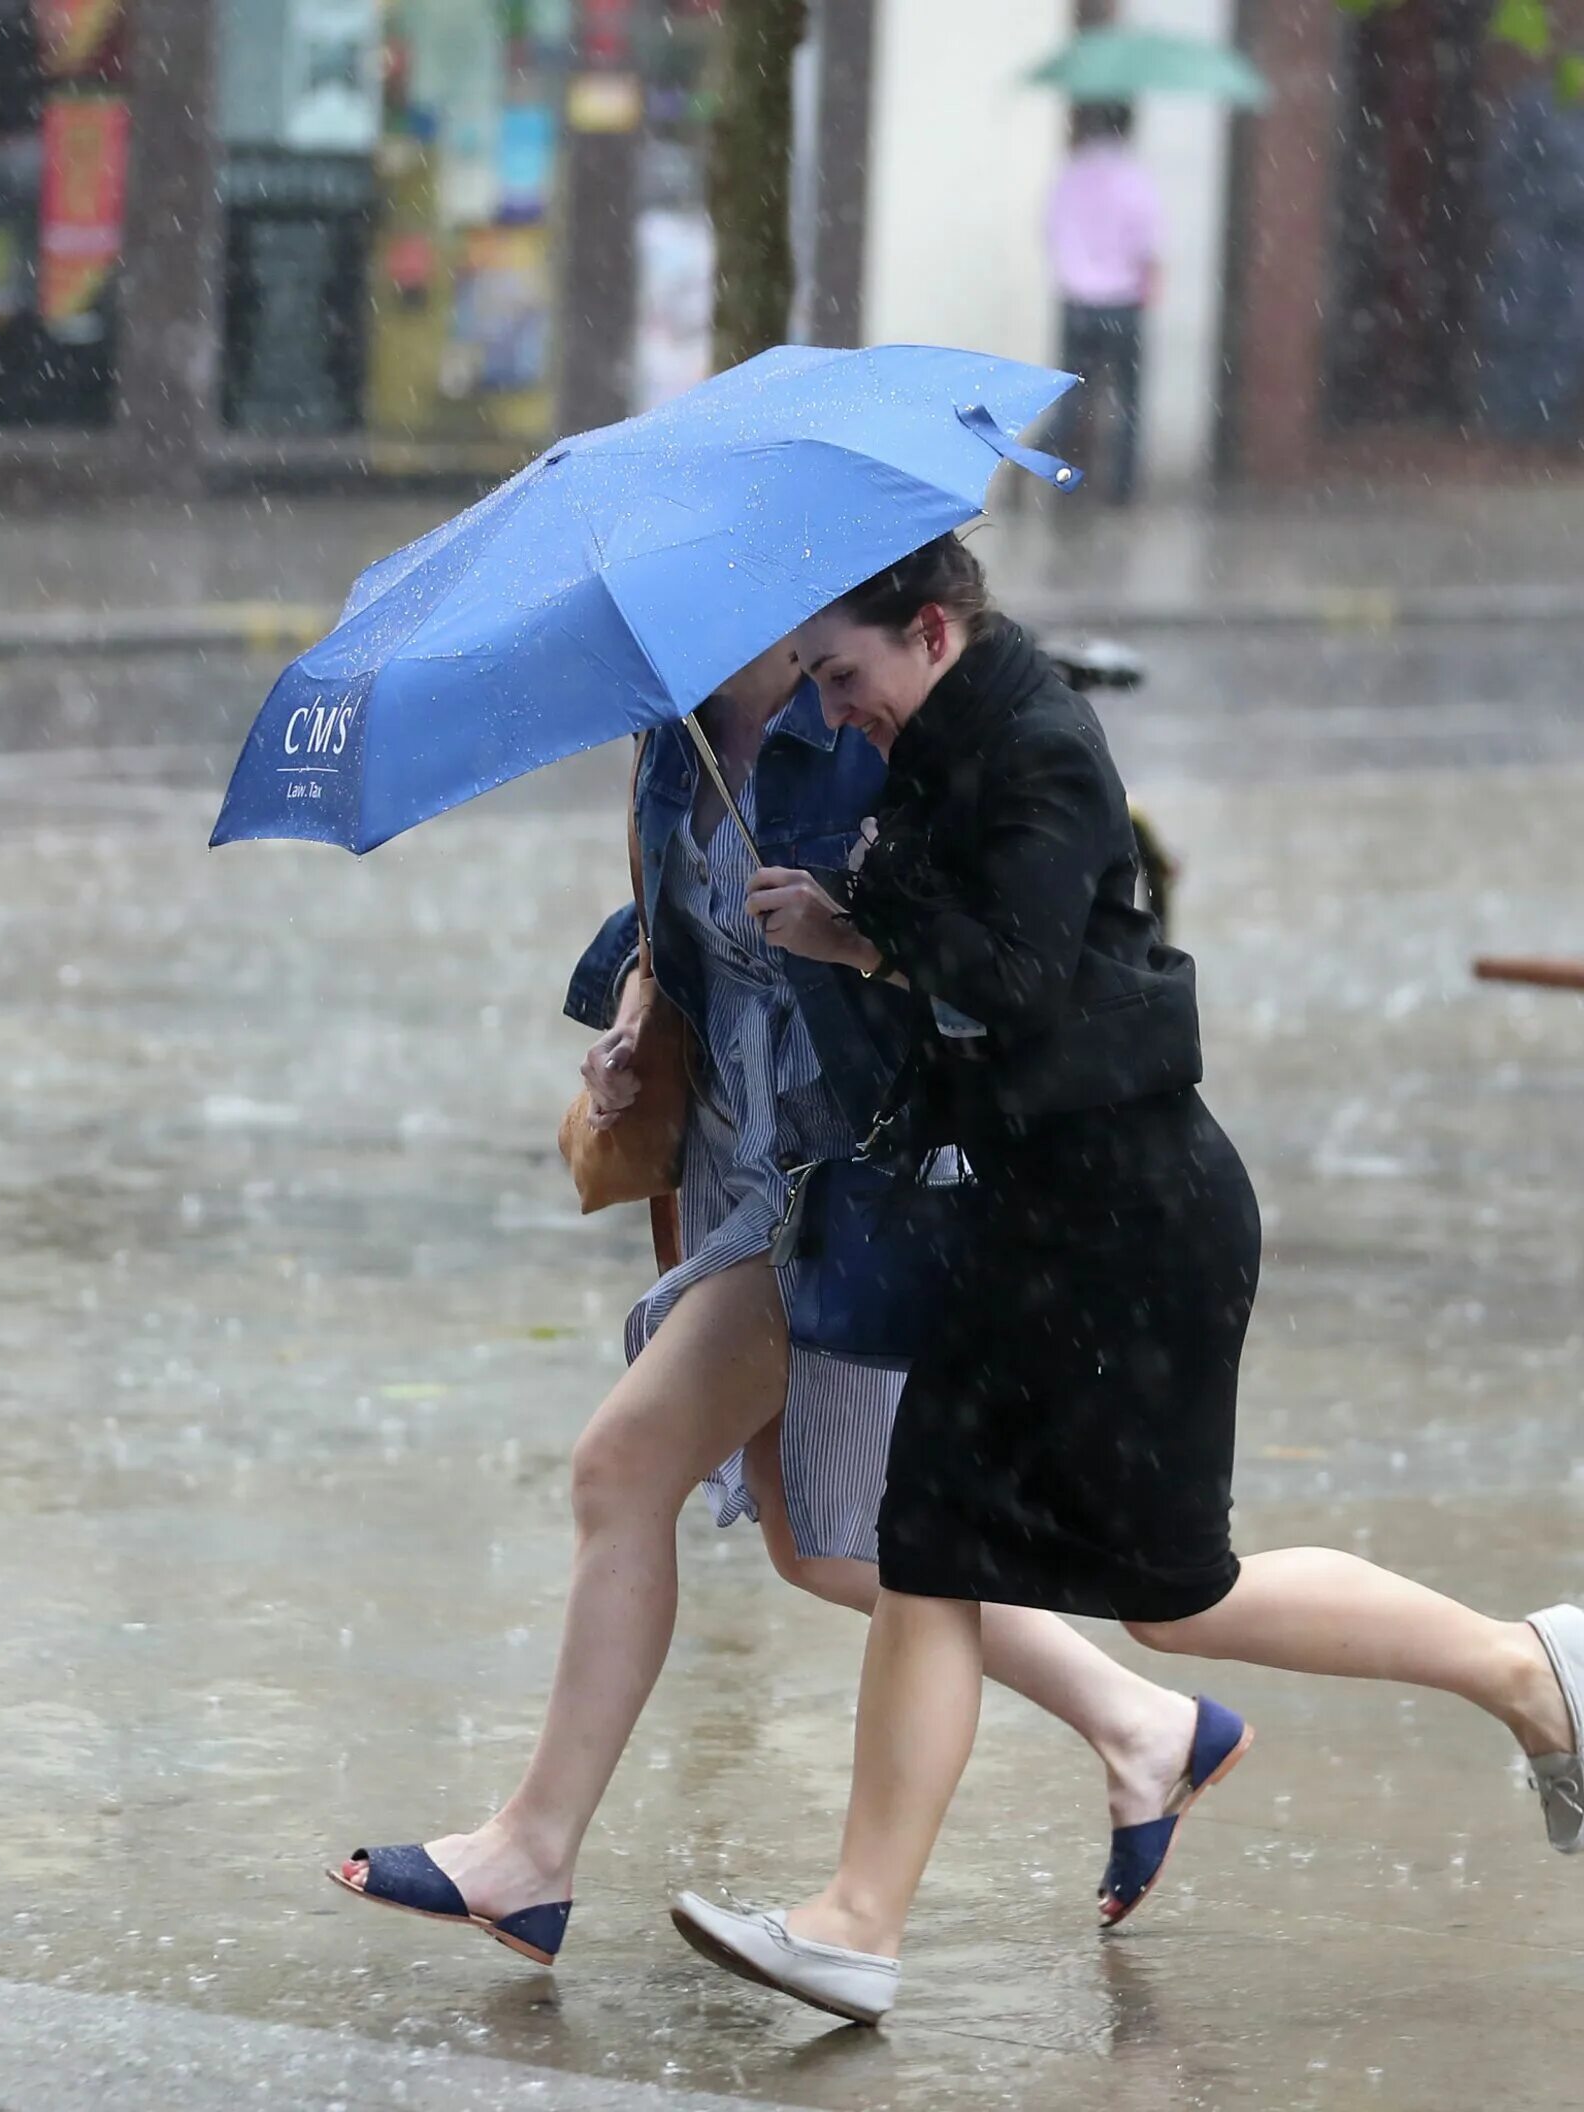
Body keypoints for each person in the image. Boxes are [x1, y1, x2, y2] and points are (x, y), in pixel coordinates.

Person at [673, 533, 1584, 2026]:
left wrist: (860, 934)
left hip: (1130, 1225)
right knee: (956, 1555)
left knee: (1158, 1590)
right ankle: (856, 1924)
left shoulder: (1034, 745)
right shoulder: (939, 747)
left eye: (840, 676)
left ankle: (1530, 1668)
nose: (833, 710)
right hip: (1038, 1217)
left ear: (931, 632)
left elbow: (1021, 978)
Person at [326, 638, 1220, 1965]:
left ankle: (531, 1854)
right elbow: (674, 925)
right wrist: (635, 1019)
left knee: (623, 1466)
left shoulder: (865, 732)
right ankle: (1147, 1725)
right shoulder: (672, 736)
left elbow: (990, 945)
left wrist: (854, 934)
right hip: (745, 1156)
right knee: (827, 1546)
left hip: (843, 1172)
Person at [1046, 101, 1162, 506]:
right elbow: (1150, 244)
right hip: (1123, 302)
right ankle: (1120, 490)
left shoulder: (1071, 175)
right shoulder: (1136, 180)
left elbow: (1050, 230)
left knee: (1072, 396)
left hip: (1077, 299)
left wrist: (1077, 271)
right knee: (1126, 400)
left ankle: (1040, 467)